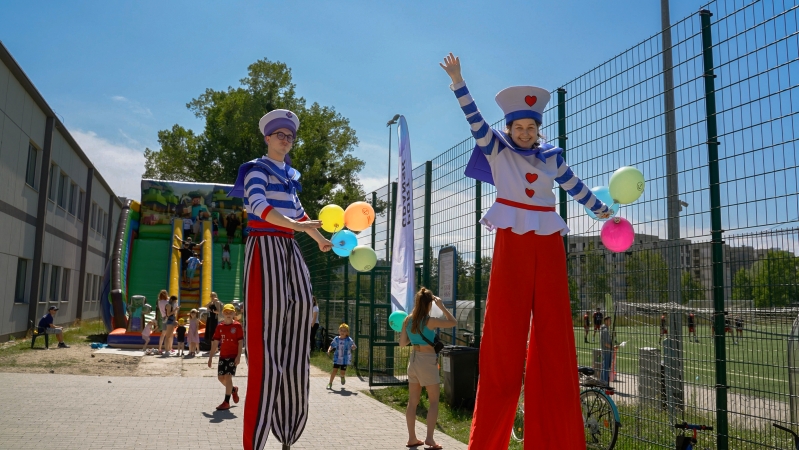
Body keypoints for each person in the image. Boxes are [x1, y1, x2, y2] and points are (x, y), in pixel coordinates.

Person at [440, 53, 612, 450]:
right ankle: (488, 441)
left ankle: (555, 440)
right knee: (503, 333)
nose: (524, 133)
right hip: (513, 237)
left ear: (538, 129)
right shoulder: (496, 148)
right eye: (518, 127)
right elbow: (474, 120)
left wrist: (600, 209)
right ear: (509, 128)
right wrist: (458, 82)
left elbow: (575, 186)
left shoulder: (551, 157)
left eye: (530, 127)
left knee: (554, 331)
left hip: (548, 238)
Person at [228, 108, 333, 450]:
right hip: (264, 248)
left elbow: (299, 213)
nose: (286, 140)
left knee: (301, 319)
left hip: (289, 248)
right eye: (280, 135)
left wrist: (319, 238)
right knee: (265, 350)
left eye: (290, 136)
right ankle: (255, 443)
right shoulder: (257, 170)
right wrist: (296, 227)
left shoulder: (289, 175)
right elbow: (257, 205)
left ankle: (288, 432)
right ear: (267, 138)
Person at [398, 288, 457, 450]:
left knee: (413, 401)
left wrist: (414, 337)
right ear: (429, 304)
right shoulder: (430, 321)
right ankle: (429, 439)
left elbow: (402, 343)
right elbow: (453, 322)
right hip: (427, 361)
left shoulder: (408, 320)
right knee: (434, 401)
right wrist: (442, 306)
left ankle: (412, 438)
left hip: (413, 360)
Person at [207, 303, 244, 411]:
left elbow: (240, 342)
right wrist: (210, 357)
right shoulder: (220, 327)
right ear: (223, 313)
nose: (228, 314)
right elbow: (215, 342)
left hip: (233, 355)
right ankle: (233, 390)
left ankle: (226, 402)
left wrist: (238, 356)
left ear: (234, 313)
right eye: (226, 312)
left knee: (228, 377)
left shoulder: (237, 326)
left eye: (230, 312)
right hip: (223, 355)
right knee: (221, 378)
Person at [326, 323, 356, 389]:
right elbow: (332, 345)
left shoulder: (348, 339)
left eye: (344, 331)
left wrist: (353, 347)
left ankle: (342, 377)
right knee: (334, 370)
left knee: (342, 372)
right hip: (337, 358)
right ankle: (330, 383)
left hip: (344, 359)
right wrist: (329, 350)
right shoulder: (336, 339)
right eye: (341, 330)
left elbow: (353, 346)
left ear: (347, 332)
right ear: (339, 331)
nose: (342, 332)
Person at [600, 317, 617, 386]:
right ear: (606, 321)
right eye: (610, 320)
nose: (611, 322)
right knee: (606, 368)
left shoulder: (605, 329)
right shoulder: (605, 330)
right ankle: (605, 383)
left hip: (606, 350)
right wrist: (612, 347)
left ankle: (602, 381)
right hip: (606, 351)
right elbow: (606, 343)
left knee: (604, 367)